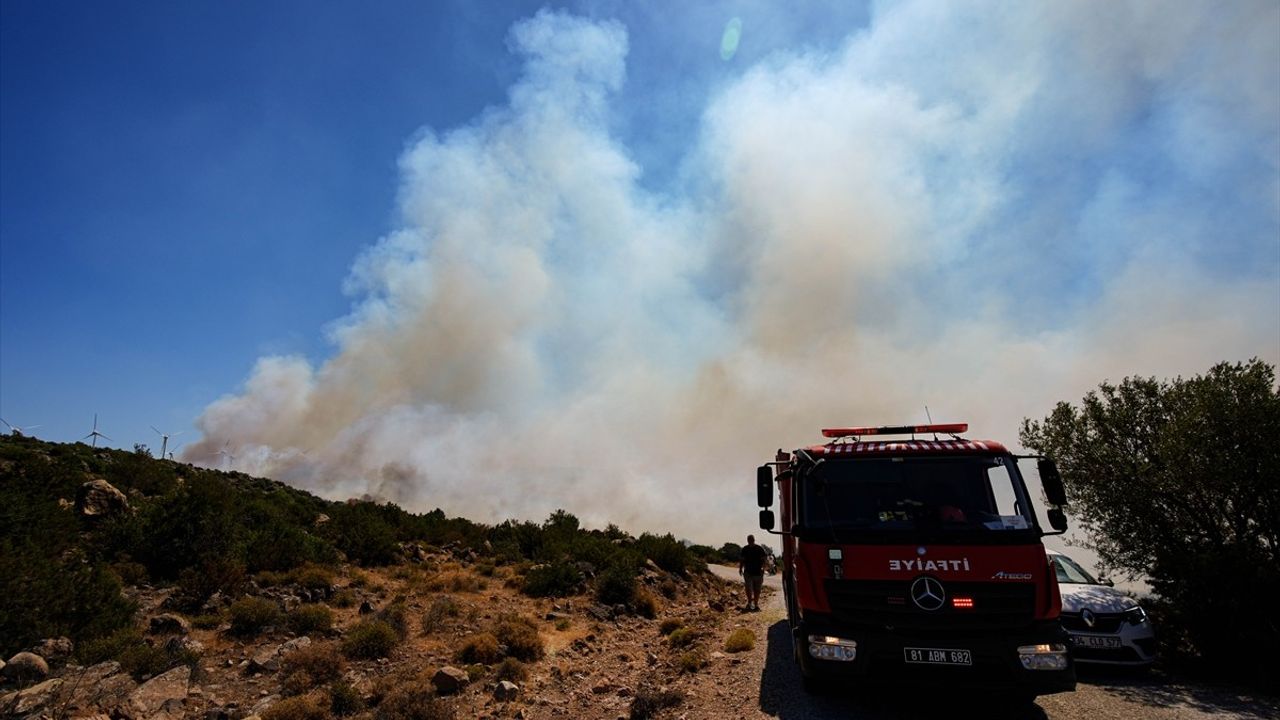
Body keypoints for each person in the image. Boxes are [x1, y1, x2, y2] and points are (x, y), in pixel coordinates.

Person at [738, 534, 767, 611]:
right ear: (748, 540)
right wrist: (740, 569)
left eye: (751, 539)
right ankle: (749, 603)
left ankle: (756, 604)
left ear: (754, 540)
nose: (750, 541)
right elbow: (742, 560)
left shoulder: (759, 548)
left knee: (757, 589)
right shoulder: (745, 549)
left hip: (758, 572)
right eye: (749, 540)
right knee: (748, 588)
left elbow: (764, 559)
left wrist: (763, 568)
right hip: (748, 572)